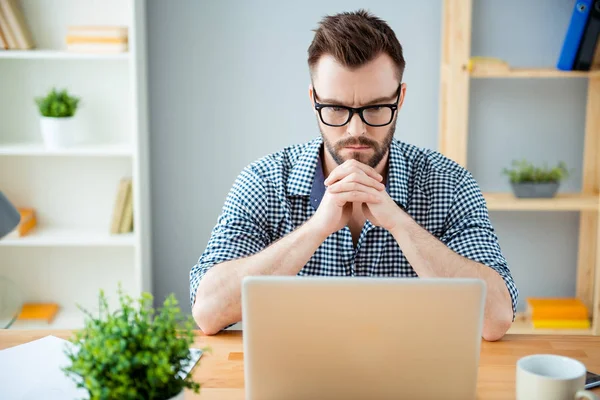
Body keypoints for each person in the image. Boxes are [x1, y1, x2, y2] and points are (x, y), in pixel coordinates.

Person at [190, 9, 518, 341]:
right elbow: (208, 311)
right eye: (336, 108)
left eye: (376, 108)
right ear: (313, 100)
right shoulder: (263, 181)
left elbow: (496, 318)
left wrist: (399, 223)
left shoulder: (450, 183)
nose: (356, 130)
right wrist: (316, 229)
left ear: (400, 99)